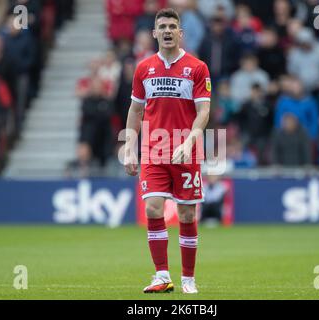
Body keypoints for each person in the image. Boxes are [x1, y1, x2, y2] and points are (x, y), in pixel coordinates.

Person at [123, 8, 211, 294]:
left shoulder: (197, 68)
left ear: (180, 32)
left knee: (186, 214)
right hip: (154, 148)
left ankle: (188, 279)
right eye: (163, 26)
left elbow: (204, 111)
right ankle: (161, 275)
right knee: (152, 207)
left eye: (173, 26)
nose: (168, 30)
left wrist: (189, 142)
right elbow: (136, 110)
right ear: (155, 33)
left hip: (186, 150)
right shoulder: (144, 68)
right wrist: (129, 146)